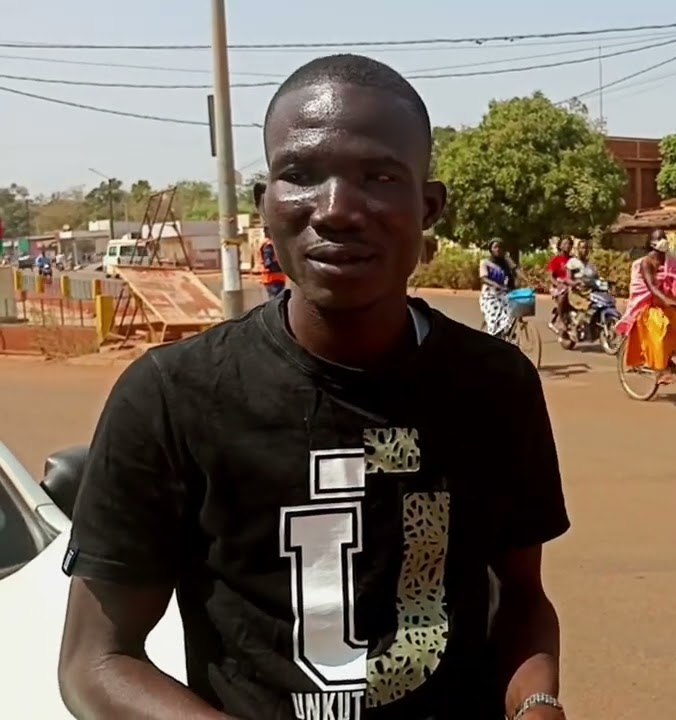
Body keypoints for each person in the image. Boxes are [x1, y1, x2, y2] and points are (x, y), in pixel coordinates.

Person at [58, 54, 570, 720]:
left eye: (379, 177)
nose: (335, 211)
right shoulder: (171, 396)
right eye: (299, 175)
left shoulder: (496, 387)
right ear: (264, 207)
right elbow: (97, 660)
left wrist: (538, 703)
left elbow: (522, 599)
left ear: (429, 207)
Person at [615, 230, 676, 384]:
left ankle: (667, 357)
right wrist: (669, 300)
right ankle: (660, 372)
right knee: (659, 327)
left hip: (664, 303)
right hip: (647, 305)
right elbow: (652, 287)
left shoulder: (672, 261)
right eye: (659, 238)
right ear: (651, 243)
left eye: (664, 237)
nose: (663, 240)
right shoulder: (646, 263)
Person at [479, 238, 518, 337]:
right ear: (491, 249)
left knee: (514, 310)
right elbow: (484, 278)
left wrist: (529, 280)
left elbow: (516, 270)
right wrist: (495, 285)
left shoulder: (506, 261)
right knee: (495, 317)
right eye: (495, 247)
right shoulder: (485, 262)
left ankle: (507, 331)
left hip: (504, 293)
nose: (498, 249)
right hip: (490, 296)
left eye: (500, 247)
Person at [547, 238, 573, 333]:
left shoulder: (572, 259)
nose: (568, 246)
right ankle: (560, 320)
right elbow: (550, 277)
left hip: (570, 284)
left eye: (570, 244)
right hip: (557, 286)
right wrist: (558, 284)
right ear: (560, 246)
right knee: (564, 294)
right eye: (565, 243)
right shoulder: (556, 260)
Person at [259, 233, 286, 299]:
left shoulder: (269, 244)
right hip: (273, 278)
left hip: (275, 278)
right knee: (276, 300)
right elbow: (268, 263)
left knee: (276, 299)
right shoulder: (269, 246)